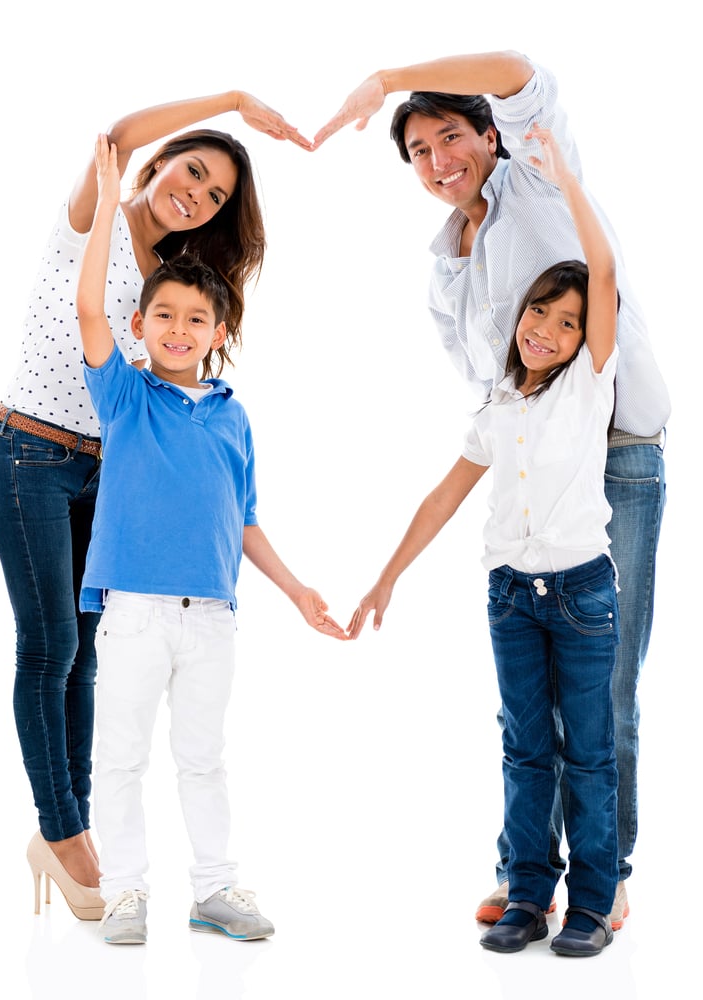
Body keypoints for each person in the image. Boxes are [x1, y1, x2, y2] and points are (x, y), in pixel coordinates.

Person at [314, 50, 669, 930]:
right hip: (532, 487)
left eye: (450, 136)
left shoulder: (538, 183)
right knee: (529, 708)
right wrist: (390, 570)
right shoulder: (444, 268)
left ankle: (605, 869)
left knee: (606, 686)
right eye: (419, 151)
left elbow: (515, 68)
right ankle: (530, 874)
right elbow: (490, 408)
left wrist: (386, 80)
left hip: (616, 452)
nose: (439, 161)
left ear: (486, 136)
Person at [0, 89, 312, 920]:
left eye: (215, 195)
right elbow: (117, 138)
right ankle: (61, 835)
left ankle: (79, 827)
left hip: (102, 471)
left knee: (90, 655)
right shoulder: (90, 223)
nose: (196, 194)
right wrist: (234, 99)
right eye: (191, 171)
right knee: (49, 644)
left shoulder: (170, 282)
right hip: (27, 452)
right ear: (160, 164)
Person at [349, 124, 619, 957]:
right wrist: (385, 578)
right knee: (523, 748)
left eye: (566, 322)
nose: (545, 328)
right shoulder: (497, 406)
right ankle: (527, 894)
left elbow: (601, 273)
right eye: (539, 310)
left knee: (588, 756)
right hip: (509, 594)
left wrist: (565, 176)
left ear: (585, 339)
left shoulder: (587, 386)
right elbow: (442, 496)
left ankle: (592, 903)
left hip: (579, 593)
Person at [76, 134, 347, 945]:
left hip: (212, 617)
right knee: (121, 756)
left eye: (197, 318)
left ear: (218, 330)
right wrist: (105, 203)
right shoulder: (125, 394)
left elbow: (246, 519)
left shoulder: (231, 415)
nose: (179, 328)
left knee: (203, 758)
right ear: (142, 324)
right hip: (133, 611)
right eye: (164, 315)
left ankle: (215, 889)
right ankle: (124, 892)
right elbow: (90, 308)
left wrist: (297, 589)